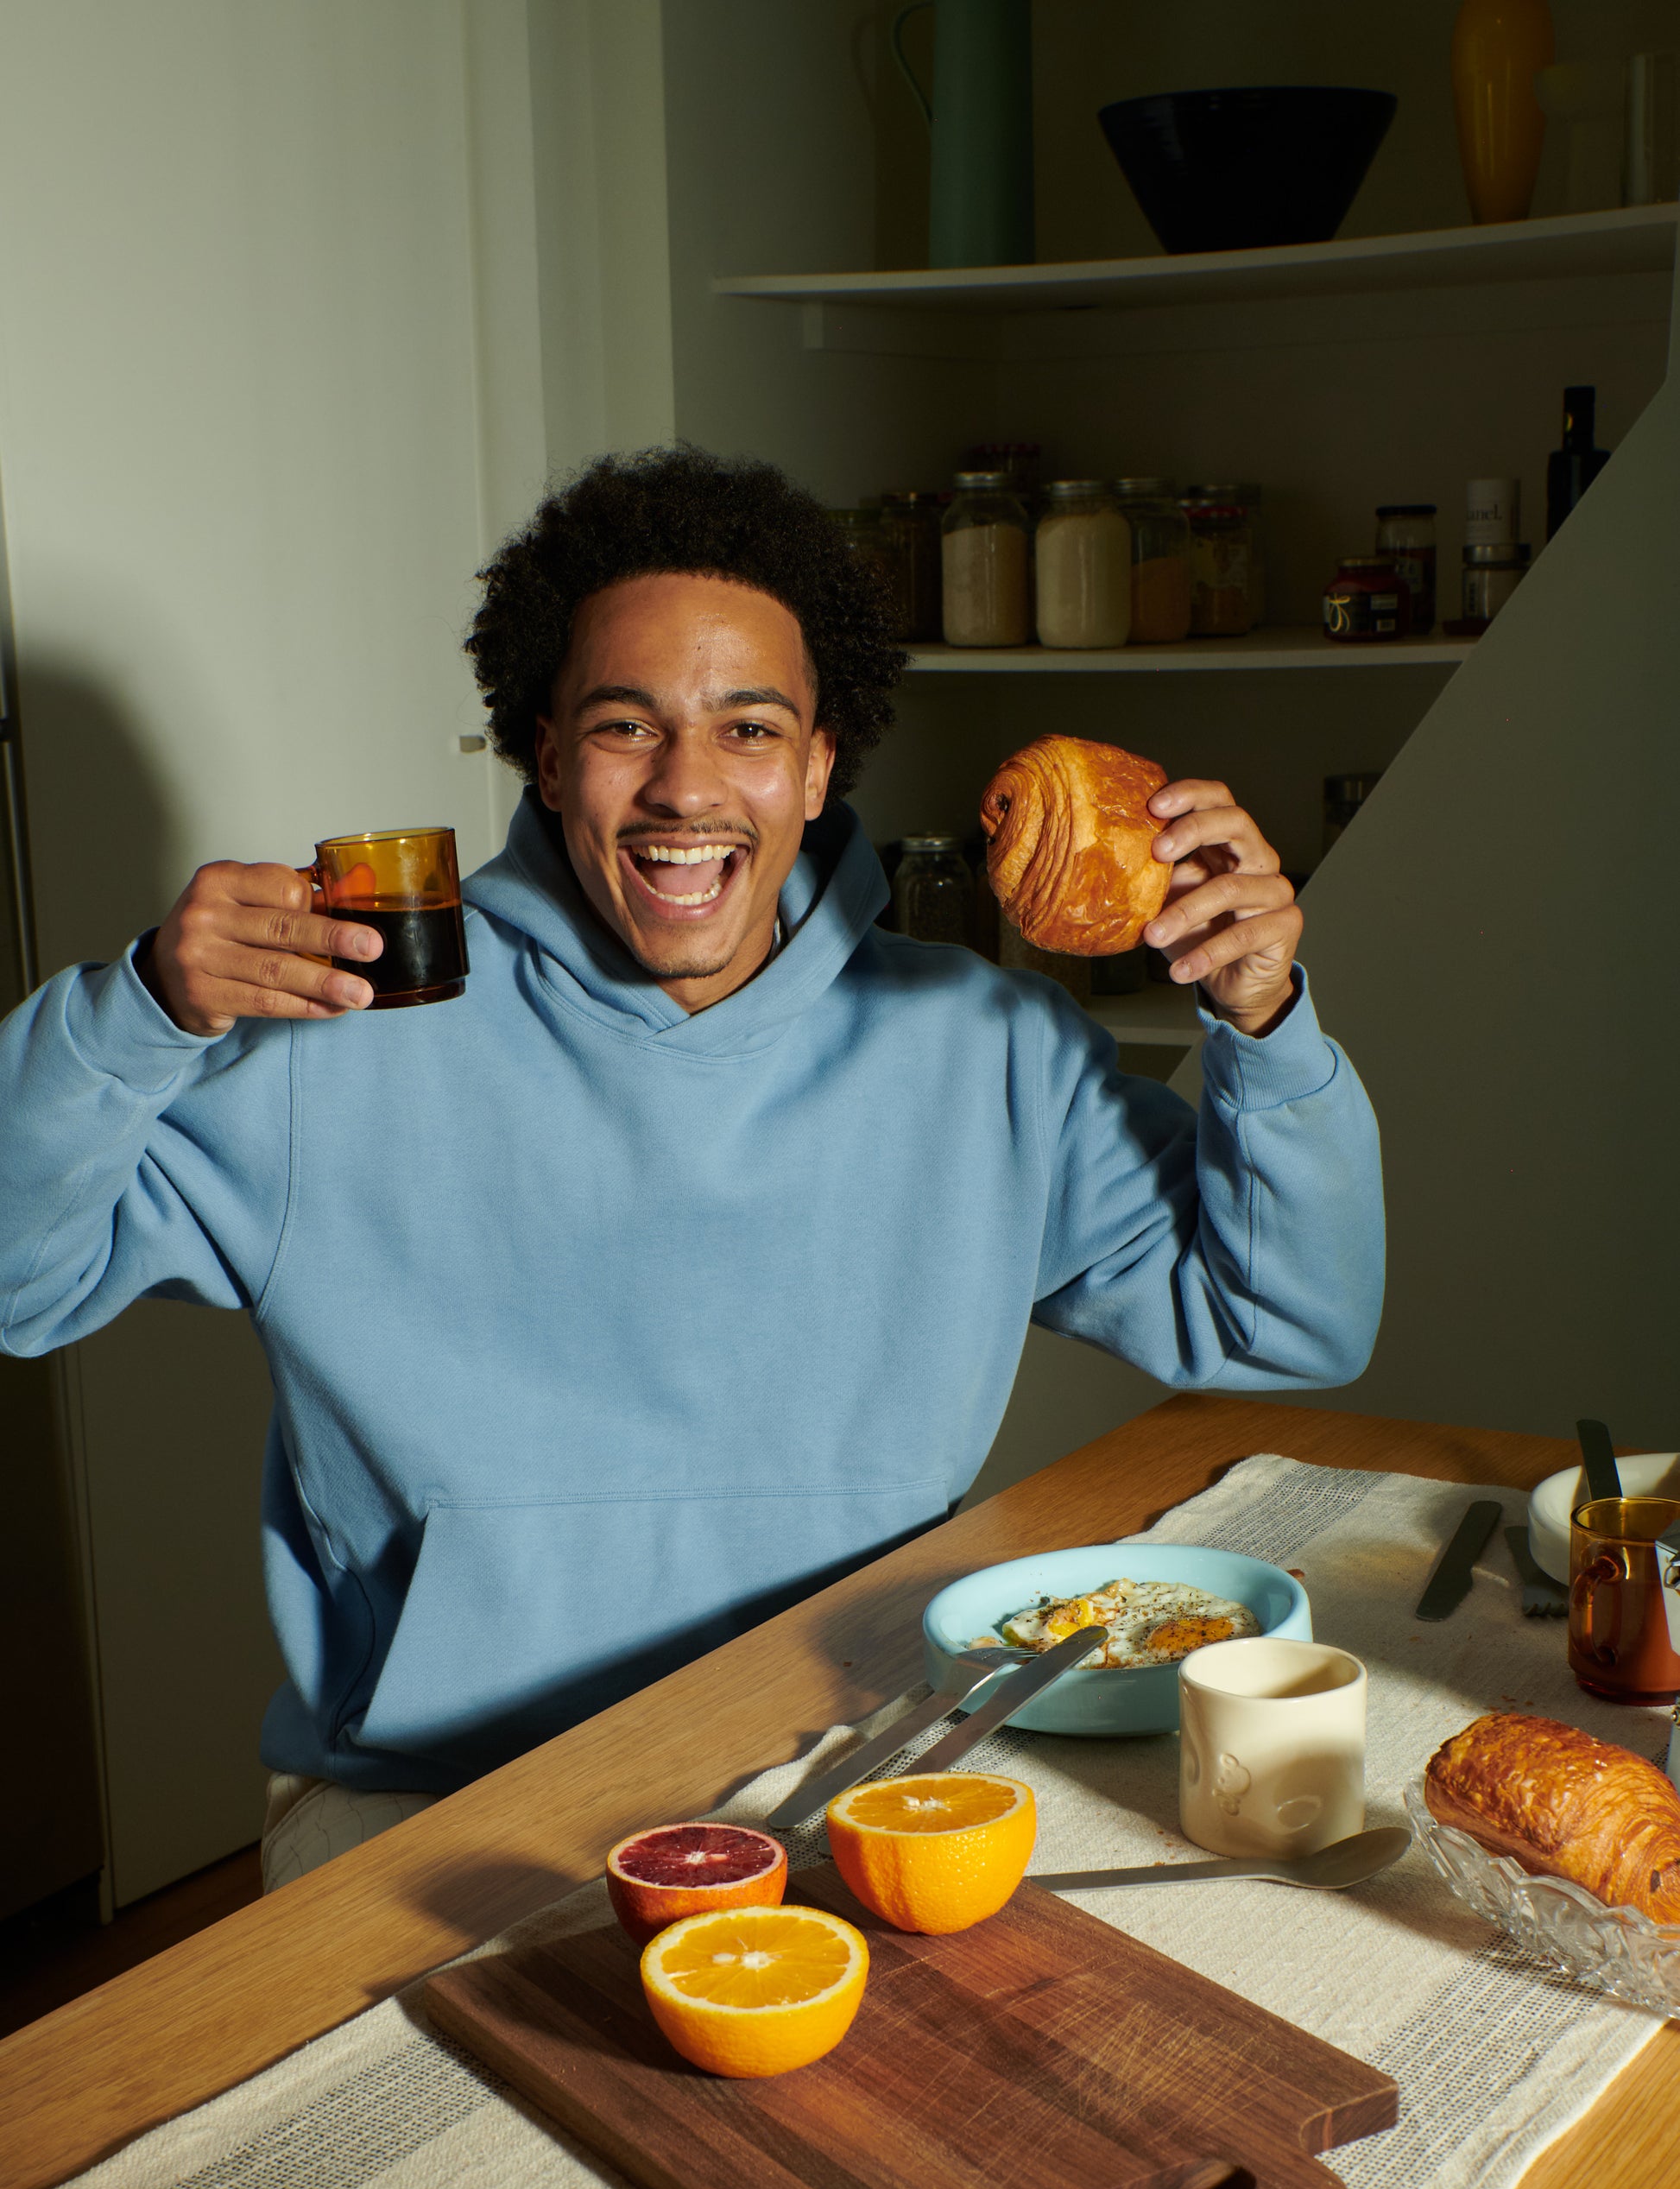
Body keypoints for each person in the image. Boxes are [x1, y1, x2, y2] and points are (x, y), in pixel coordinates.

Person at [0, 446, 1382, 1887]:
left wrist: (1262, 1022)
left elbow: (1284, 1322)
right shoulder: (337, 1036)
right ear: (546, 755)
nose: (686, 787)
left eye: (747, 728)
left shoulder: (986, 1048)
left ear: (819, 764)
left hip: (853, 1765)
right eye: (625, 727)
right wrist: (134, 1011)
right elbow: (16, 1282)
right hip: (435, 1806)